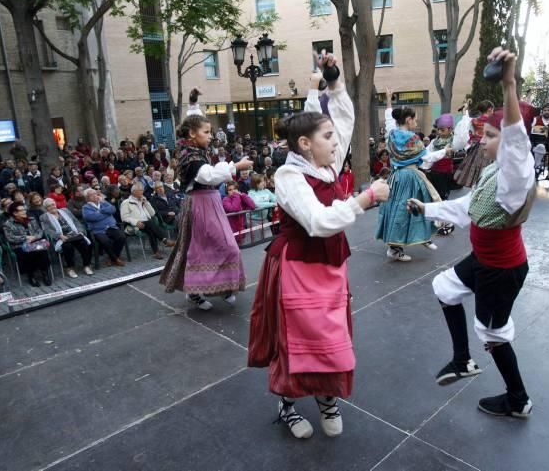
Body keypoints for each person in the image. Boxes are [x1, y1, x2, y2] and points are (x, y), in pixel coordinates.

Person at [247, 55, 390, 439]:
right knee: (297, 337)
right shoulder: (290, 174)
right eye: (327, 138)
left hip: (329, 266)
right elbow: (317, 222)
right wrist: (364, 199)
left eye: (332, 137)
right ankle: (288, 404)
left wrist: (333, 82)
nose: (336, 141)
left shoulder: (323, 163)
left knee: (330, 335)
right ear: (306, 145)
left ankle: (327, 397)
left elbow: (342, 119)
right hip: (297, 266)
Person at [409, 47, 537, 419]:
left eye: (491, 135)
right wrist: (427, 208)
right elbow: (468, 209)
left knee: (493, 334)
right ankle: (462, 360)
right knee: (444, 288)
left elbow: (515, 140)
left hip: (502, 270)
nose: (483, 140)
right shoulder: (493, 171)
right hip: (484, 260)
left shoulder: (516, 172)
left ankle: (518, 399)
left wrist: (509, 84)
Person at [159, 115, 253, 310]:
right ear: (192, 134)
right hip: (199, 204)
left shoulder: (195, 149)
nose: (210, 136)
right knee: (198, 250)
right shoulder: (190, 155)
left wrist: (193, 101)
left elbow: (195, 121)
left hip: (211, 202)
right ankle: (193, 292)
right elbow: (208, 176)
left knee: (227, 246)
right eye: (206, 132)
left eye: (210, 132)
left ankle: (225, 286)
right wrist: (235, 166)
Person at [375, 87, 443, 262]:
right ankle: (396, 248)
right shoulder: (413, 139)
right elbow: (427, 158)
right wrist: (446, 151)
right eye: (414, 119)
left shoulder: (392, 134)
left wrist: (389, 101)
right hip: (410, 177)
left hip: (396, 177)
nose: (416, 122)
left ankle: (422, 237)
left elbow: (390, 120)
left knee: (402, 208)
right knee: (411, 208)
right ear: (408, 119)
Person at [40, 198, 93, 278]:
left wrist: (80, 231)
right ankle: (70, 268)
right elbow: (47, 231)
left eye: (53, 204)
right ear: (46, 208)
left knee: (84, 243)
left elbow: (76, 222)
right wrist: (59, 236)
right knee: (68, 247)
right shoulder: (44, 217)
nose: (52, 207)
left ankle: (86, 265)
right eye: (49, 206)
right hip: (61, 238)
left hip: (74, 234)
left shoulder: (65, 210)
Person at [3, 202, 52, 287]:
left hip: (35, 242)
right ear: (15, 213)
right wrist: (25, 238)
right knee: (27, 253)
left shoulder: (31, 219)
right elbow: (10, 238)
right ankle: (31, 275)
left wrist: (34, 237)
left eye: (24, 209)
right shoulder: (8, 224)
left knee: (42, 251)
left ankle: (45, 273)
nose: (24, 211)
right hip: (19, 246)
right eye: (21, 210)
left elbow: (39, 231)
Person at [120, 182, 171, 259]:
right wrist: (136, 222)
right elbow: (124, 217)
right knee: (151, 224)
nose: (142, 192)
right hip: (135, 225)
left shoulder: (143, 200)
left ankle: (156, 252)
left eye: (142, 190)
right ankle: (164, 240)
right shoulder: (126, 202)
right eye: (140, 190)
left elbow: (152, 213)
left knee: (151, 229)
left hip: (147, 224)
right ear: (133, 192)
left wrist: (146, 203)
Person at [454, 100, 495, 187]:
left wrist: (465, 110)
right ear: (490, 109)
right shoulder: (494, 121)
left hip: (476, 149)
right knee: (488, 171)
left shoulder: (474, 121)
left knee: (475, 171)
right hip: (490, 148)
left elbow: (465, 120)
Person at [82, 188, 127, 266]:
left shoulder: (103, 203)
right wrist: (106, 213)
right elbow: (92, 217)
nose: (95, 196)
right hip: (98, 230)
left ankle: (111, 258)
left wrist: (100, 211)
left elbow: (113, 209)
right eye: (92, 195)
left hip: (111, 226)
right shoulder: (86, 207)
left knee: (121, 237)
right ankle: (115, 259)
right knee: (106, 241)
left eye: (95, 193)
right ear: (87, 198)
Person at [529, 103, 549, 179]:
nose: (547, 112)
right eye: (545, 110)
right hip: (538, 143)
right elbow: (530, 131)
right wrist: (544, 130)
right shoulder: (535, 120)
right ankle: (537, 167)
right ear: (542, 112)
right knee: (540, 146)